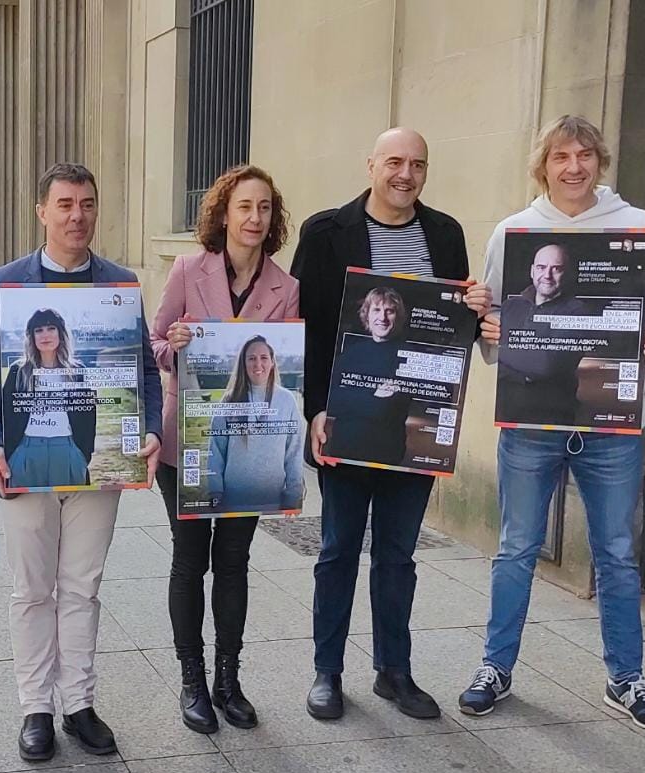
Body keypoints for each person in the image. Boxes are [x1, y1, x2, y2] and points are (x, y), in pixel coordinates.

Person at [463, 114, 645, 733]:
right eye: (562, 156)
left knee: (615, 552)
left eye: (585, 154)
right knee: (516, 548)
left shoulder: (637, 229)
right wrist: (488, 327)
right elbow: (495, 321)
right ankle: (495, 668)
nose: (574, 167)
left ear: (599, 162)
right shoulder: (514, 233)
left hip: (610, 423)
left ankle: (626, 679)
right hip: (532, 423)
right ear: (544, 165)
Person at [0, 163, 163, 762]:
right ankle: (35, 709)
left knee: (83, 586)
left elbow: (142, 372)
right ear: (41, 212)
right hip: (23, 464)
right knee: (31, 590)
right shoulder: (3, 284)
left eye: (88, 204)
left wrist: (147, 430)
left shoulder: (120, 285)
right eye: (66, 204)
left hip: (96, 463)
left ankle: (78, 703)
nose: (78, 215)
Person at [292, 127, 484, 723]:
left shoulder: (445, 233)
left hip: (415, 421)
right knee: (338, 549)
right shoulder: (325, 233)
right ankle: (327, 672)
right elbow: (307, 329)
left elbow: (451, 331)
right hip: (347, 420)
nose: (406, 174)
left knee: (399, 554)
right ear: (371, 164)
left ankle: (393, 671)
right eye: (395, 162)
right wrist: (315, 411)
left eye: (418, 164)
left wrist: (476, 314)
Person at [149, 163, 300, 733]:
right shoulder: (189, 270)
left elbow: (283, 368)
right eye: (245, 207)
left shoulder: (287, 287)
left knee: (233, 561)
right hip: (185, 437)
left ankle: (228, 679)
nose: (255, 218)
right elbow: (153, 341)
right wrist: (175, 345)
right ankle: (191, 680)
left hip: (253, 448)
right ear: (224, 213)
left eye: (264, 208)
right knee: (190, 560)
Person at [0, 308, 97, 487]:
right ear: (31, 337)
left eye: (51, 328)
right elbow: (4, 413)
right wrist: (11, 454)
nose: (45, 335)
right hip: (26, 451)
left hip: (67, 450)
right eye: (39, 330)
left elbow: (88, 417)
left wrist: (82, 455)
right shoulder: (18, 371)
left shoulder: (77, 371)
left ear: (61, 333)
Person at [207, 336, 304, 513]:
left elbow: (294, 452)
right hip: (233, 498)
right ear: (243, 364)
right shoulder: (230, 400)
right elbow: (216, 450)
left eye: (263, 358)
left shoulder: (287, 400)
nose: (257, 364)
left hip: (273, 499)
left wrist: (293, 494)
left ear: (272, 362)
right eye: (251, 358)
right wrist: (215, 491)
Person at [494, 243, 587, 426]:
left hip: (554, 420)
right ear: (532, 271)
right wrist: (523, 371)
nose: (547, 275)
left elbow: (546, 364)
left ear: (566, 273)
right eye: (541, 267)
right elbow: (490, 365)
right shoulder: (510, 306)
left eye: (557, 269)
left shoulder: (577, 311)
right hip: (510, 422)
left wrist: (500, 350)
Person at [323, 285, 413, 465]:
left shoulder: (408, 358)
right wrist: (374, 396)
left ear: (399, 316)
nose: (383, 317)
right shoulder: (350, 353)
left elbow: (385, 410)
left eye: (390, 311)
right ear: (367, 314)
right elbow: (331, 402)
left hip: (387, 454)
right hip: (343, 451)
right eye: (377, 310)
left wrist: (353, 398)